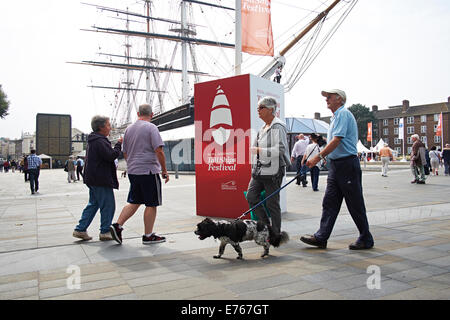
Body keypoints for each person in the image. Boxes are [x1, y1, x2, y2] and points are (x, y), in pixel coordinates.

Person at [300, 89, 374, 250]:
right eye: (326, 97)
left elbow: (337, 141)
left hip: (346, 165)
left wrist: (317, 157)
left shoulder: (343, 114)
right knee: (329, 202)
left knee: (354, 203)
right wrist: (326, 153)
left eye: (329, 97)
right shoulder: (335, 117)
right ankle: (321, 237)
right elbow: (333, 142)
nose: (326, 99)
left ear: (340, 99)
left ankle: (366, 237)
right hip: (337, 166)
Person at [110, 104, 170, 245]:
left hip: (134, 171)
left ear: (138, 113)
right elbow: (159, 151)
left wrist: (132, 164)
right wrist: (164, 170)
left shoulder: (128, 129)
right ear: (152, 114)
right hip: (148, 170)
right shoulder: (151, 128)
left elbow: (125, 151)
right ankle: (148, 235)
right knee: (151, 203)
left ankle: (117, 226)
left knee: (135, 201)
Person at [73, 115, 122, 241]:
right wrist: (118, 145)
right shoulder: (100, 141)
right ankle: (105, 231)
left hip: (93, 177)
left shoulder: (94, 140)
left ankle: (80, 229)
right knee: (108, 205)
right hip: (101, 178)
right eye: (108, 125)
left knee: (93, 204)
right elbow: (111, 156)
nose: (110, 127)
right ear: (101, 127)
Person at [246, 96, 290, 235]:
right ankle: (266, 226)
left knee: (272, 203)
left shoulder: (278, 126)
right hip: (260, 170)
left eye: (261, 107)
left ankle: (275, 233)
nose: (258, 110)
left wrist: (259, 150)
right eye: (258, 107)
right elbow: (254, 148)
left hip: (274, 170)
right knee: (251, 196)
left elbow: (280, 149)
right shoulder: (262, 128)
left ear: (271, 110)